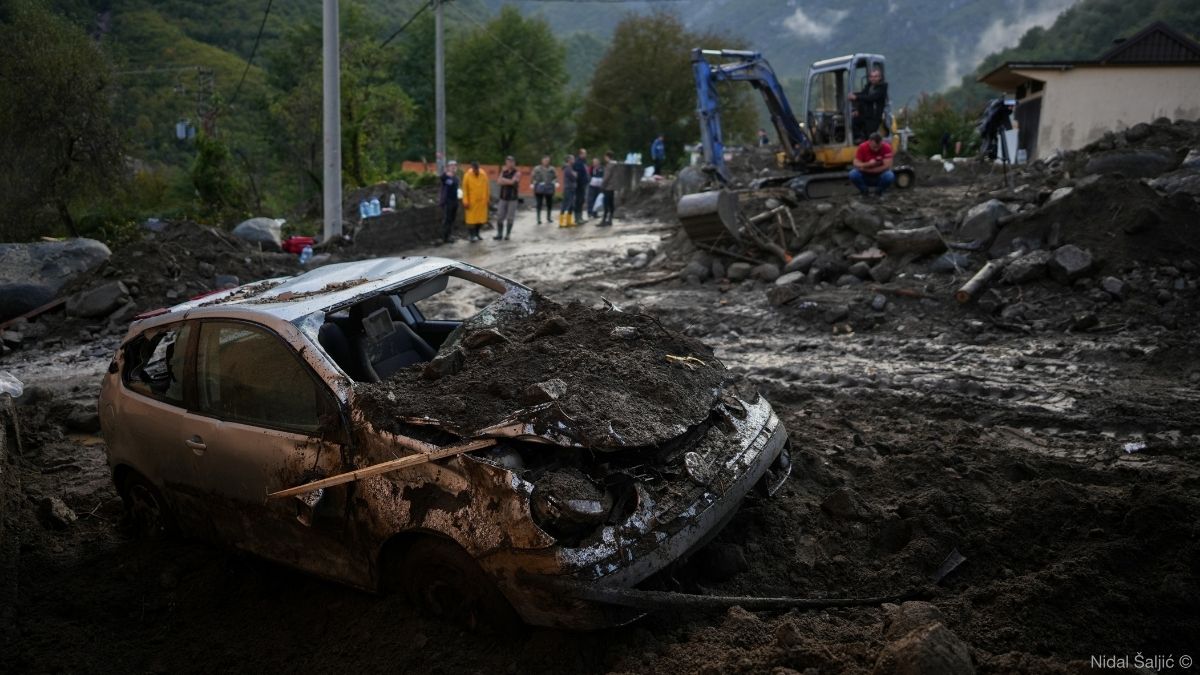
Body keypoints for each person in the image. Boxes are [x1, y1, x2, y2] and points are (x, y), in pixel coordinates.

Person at [849, 132, 895, 198]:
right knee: (853, 174)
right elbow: (856, 163)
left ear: (881, 142)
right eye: (874, 147)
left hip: (879, 175)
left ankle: (878, 192)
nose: (876, 149)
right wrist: (868, 164)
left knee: (890, 176)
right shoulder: (862, 147)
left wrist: (866, 169)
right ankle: (864, 191)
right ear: (869, 142)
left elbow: (887, 166)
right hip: (865, 175)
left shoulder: (886, 147)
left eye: (878, 147)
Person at [848, 68, 888, 142]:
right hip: (866, 114)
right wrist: (857, 109)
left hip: (874, 117)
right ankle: (859, 139)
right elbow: (863, 95)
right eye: (871, 77)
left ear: (880, 77)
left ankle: (868, 145)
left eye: (875, 76)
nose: (873, 79)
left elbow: (871, 98)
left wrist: (856, 97)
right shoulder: (869, 86)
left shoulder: (882, 87)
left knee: (870, 135)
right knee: (853, 122)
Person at [461, 160, 489, 242]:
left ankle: (477, 234)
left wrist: (487, 199)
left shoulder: (483, 174)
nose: (476, 170)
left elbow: (487, 187)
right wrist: (465, 201)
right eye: (474, 169)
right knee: (471, 221)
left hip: (481, 202)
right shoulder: (467, 176)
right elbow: (465, 190)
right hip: (471, 202)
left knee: (480, 220)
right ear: (472, 168)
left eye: (477, 168)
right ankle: (471, 235)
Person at [494, 155, 519, 240]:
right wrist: (507, 181)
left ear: (514, 163)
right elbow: (498, 181)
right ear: (506, 162)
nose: (510, 163)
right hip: (503, 197)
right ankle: (499, 234)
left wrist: (503, 180)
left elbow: (513, 182)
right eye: (508, 162)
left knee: (510, 217)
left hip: (512, 198)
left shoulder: (517, 172)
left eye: (511, 162)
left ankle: (508, 234)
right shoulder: (503, 172)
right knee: (499, 216)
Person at [437, 160, 460, 244]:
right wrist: (446, 174)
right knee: (447, 219)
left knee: (452, 219)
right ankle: (444, 237)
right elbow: (441, 177)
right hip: (447, 201)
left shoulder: (456, 178)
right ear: (448, 167)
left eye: (455, 166)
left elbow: (455, 185)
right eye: (451, 166)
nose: (453, 167)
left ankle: (449, 235)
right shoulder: (445, 176)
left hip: (455, 200)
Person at [531, 155, 556, 225]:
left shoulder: (552, 169)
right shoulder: (537, 168)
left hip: (549, 189)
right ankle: (538, 219)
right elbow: (533, 177)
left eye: (547, 160)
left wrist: (555, 182)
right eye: (545, 160)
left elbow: (555, 177)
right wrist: (533, 184)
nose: (546, 162)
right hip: (539, 189)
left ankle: (549, 217)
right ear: (542, 161)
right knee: (539, 204)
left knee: (549, 204)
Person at [599, 151, 617, 226]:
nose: (604, 158)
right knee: (611, 203)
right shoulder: (615, 164)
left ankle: (604, 220)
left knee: (606, 204)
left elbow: (606, 177)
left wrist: (602, 185)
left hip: (608, 187)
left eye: (605, 157)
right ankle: (610, 219)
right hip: (613, 186)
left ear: (607, 157)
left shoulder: (609, 165)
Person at [559, 154, 577, 227]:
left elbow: (574, 176)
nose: (574, 161)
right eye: (573, 159)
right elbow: (573, 177)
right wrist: (575, 175)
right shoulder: (568, 168)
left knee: (571, 205)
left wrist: (574, 174)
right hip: (568, 188)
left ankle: (568, 221)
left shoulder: (571, 168)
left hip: (571, 188)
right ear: (569, 160)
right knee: (566, 204)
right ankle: (561, 222)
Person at [573, 148, 589, 225]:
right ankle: (577, 218)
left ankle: (580, 217)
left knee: (582, 200)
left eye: (585, 153)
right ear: (580, 154)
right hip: (579, 185)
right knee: (578, 201)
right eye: (584, 153)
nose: (585, 155)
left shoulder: (583, 162)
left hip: (583, 184)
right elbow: (577, 175)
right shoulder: (577, 162)